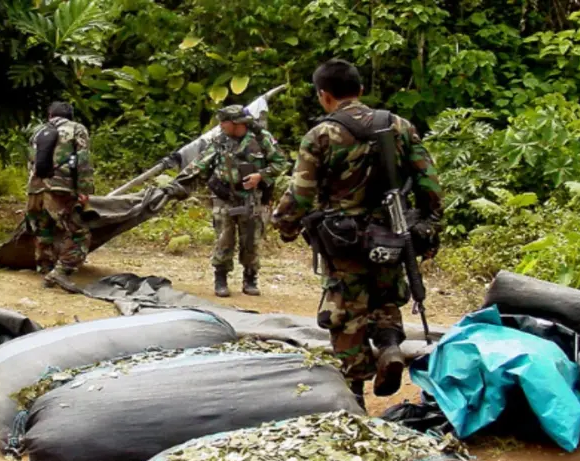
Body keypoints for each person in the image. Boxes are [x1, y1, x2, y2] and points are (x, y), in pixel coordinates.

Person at [271, 59, 444, 409]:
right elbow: (429, 181)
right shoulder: (399, 125)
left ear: (324, 96)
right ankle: (391, 349)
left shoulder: (320, 135)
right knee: (385, 298)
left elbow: (301, 193)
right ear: (361, 90)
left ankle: (354, 397)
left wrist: (284, 224)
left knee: (344, 313)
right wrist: (429, 226)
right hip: (393, 235)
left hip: (343, 241)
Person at [167, 105, 288, 297]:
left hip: (251, 197)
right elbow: (200, 164)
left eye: (224, 122)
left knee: (251, 239)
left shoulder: (261, 138)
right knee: (224, 238)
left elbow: (281, 163)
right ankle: (220, 278)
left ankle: (250, 278)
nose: (221, 125)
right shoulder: (220, 140)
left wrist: (261, 175)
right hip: (224, 196)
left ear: (237, 123)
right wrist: (176, 182)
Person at [25, 101, 94, 291]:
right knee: (79, 233)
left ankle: (46, 270)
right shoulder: (77, 129)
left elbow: (31, 162)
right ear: (70, 116)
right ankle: (62, 272)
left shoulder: (38, 132)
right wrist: (84, 191)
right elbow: (83, 161)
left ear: (50, 116)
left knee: (43, 229)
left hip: (36, 189)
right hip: (60, 188)